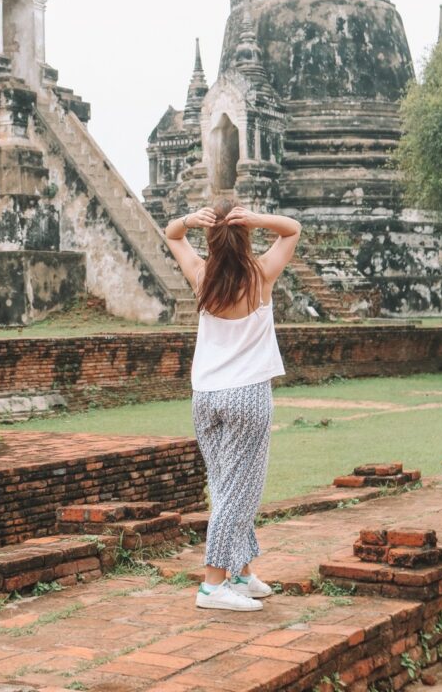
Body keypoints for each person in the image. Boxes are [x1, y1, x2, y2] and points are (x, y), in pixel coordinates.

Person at [165, 199, 301, 612]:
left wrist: (189, 220)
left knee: (227, 486)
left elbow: (172, 234)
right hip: (247, 395)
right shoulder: (259, 275)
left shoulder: (201, 275)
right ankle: (212, 585)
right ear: (245, 235)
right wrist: (259, 219)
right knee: (236, 493)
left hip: (205, 396)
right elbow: (292, 228)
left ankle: (240, 571)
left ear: (210, 237)